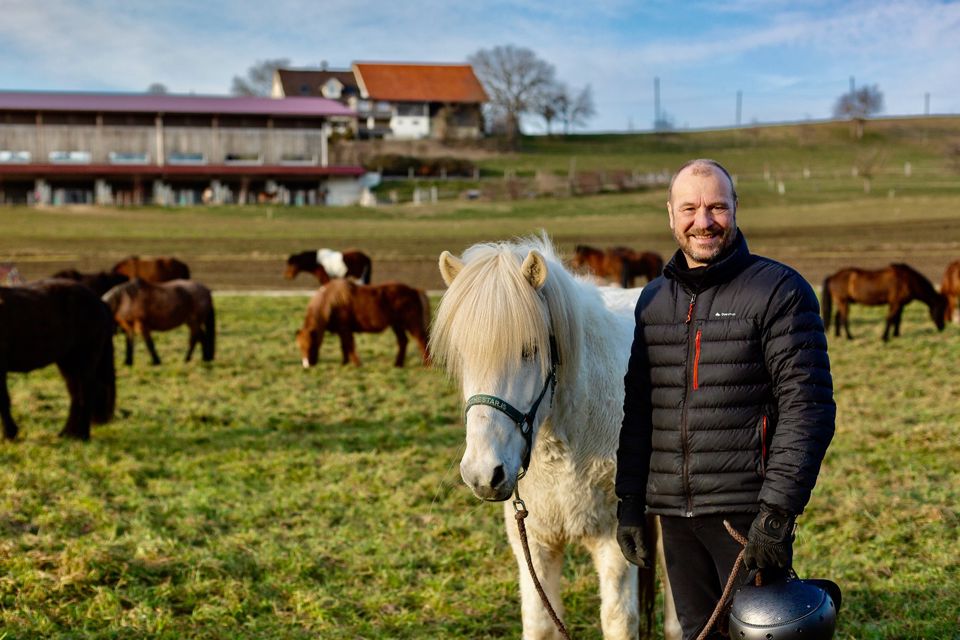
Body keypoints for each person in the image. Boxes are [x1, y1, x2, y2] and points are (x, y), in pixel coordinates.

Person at [615, 159, 836, 640]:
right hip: (674, 518)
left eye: (717, 207)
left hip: (746, 518)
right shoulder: (654, 301)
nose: (704, 221)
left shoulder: (778, 290)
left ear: (735, 209)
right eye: (690, 208)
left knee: (759, 634)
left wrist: (776, 514)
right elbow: (639, 413)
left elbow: (808, 409)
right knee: (698, 633)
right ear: (670, 215)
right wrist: (630, 502)